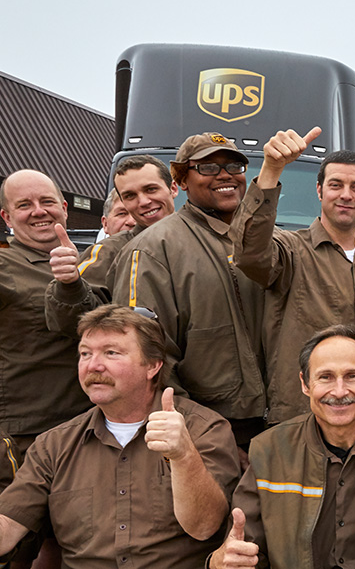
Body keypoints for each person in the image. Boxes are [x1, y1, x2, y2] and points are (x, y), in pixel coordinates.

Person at [0, 305, 239, 566]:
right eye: (85, 353)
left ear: (153, 366)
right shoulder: (53, 445)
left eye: (111, 353)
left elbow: (204, 526)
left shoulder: (204, 428)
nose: (93, 365)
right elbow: (7, 532)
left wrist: (182, 456)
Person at [231, 126, 355, 423]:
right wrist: (272, 170)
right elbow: (249, 253)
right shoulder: (291, 250)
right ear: (319, 190)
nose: (346, 195)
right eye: (336, 185)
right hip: (301, 417)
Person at [110, 133, 268, 449]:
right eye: (208, 167)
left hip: (277, 425)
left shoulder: (269, 242)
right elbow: (147, 358)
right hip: (212, 430)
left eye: (234, 165)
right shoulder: (153, 249)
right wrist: (203, 437)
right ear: (181, 180)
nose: (225, 175)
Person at [210, 325, 355, 569]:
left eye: (352, 376)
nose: (339, 391)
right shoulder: (269, 450)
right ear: (305, 384)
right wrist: (219, 562)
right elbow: (243, 549)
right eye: (325, 377)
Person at [0, 170, 92, 491]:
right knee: (20, 535)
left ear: (64, 208)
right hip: (27, 437)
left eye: (47, 201)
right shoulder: (4, 266)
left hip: (88, 428)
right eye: (24, 205)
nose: (39, 211)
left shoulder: (90, 262)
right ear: (7, 216)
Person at [45, 155, 179, 331]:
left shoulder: (206, 239)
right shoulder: (107, 251)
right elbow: (70, 322)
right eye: (130, 196)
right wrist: (70, 285)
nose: (144, 201)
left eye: (151, 189)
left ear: (173, 189)